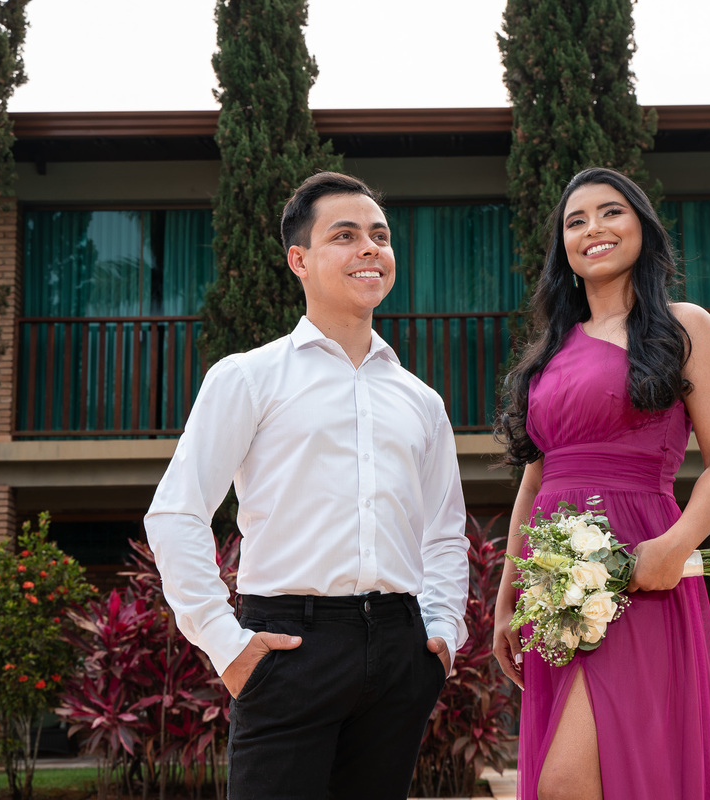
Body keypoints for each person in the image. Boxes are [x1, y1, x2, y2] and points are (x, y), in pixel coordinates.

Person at [145, 171, 468, 799]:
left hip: (400, 649)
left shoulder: (422, 401)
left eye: (380, 235)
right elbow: (176, 514)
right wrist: (226, 644)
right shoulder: (247, 378)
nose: (369, 248)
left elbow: (444, 533)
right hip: (289, 647)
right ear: (299, 259)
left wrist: (442, 635)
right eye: (344, 236)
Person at [492, 167, 710, 800]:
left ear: (642, 228)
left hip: (642, 574)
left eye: (611, 212)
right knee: (572, 781)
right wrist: (507, 597)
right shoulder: (549, 353)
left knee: (569, 781)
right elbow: (535, 483)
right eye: (575, 221)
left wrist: (675, 547)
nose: (593, 229)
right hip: (554, 586)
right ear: (563, 248)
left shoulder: (684, 328)